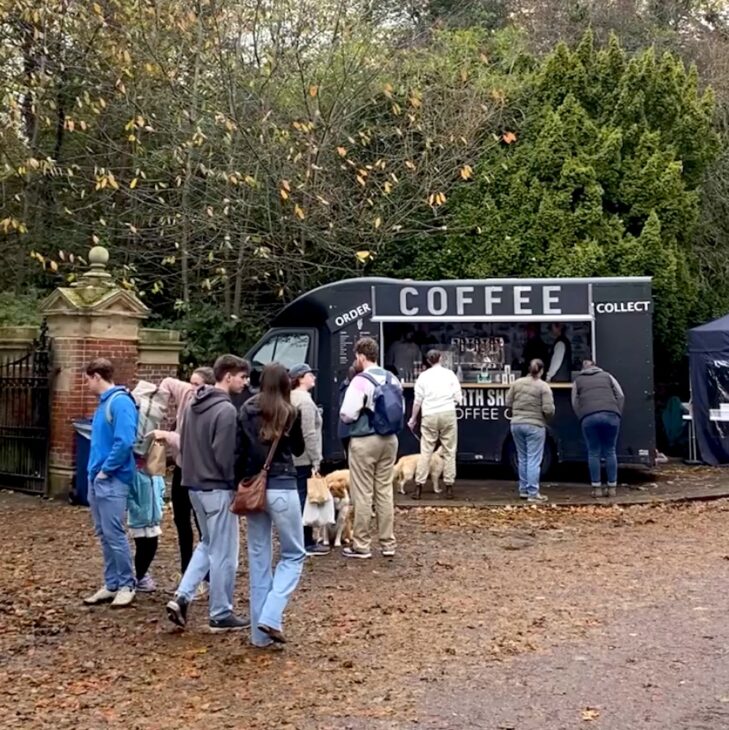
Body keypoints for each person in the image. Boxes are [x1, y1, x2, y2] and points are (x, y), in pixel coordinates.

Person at [166, 355, 249, 633]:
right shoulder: (225, 411)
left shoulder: (192, 405)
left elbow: (185, 444)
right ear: (227, 376)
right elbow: (225, 455)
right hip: (217, 487)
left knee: (207, 544)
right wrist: (235, 483)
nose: (245, 382)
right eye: (242, 376)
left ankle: (182, 596)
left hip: (193, 485)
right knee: (224, 553)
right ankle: (221, 612)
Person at [236, 363, 306, 646]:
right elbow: (299, 449)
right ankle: (272, 614)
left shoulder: (245, 410)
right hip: (283, 486)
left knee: (258, 558)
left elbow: (238, 452)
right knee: (293, 554)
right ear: (287, 384)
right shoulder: (290, 412)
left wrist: (238, 483)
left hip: (254, 486)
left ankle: (258, 635)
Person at [151, 367, 215, 586]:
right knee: (181, 520)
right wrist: (160, 403)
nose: (193, 388)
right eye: (192, 383)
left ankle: (207, 572)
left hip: (198, 472)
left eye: (198, 385)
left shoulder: (208, 409)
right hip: (181, 469)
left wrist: (167, 435)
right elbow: (168, 381)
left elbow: (191, 444)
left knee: (201, 522)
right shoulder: (187, 393)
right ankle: (187, 569)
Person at [83, 358, 139, 608]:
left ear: (96, 376)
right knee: (104, 533)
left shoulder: (119, 403)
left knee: (114, 533)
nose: (86, 385)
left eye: (87, 379)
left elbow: (125, 441)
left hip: (111, 478)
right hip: (98, 477)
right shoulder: (105, 404)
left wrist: (106, 470)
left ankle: (127, 583)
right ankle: (112, 582)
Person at [340, 337, 402, 559]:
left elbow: (347, 414)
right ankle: (388, 543)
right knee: (384, 491)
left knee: (363, 492)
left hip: (365, 440)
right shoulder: (392, 378)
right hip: (390, 439)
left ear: (361, 356)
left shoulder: (359, 381)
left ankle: (362, 544)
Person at [407, 350, 462, 500]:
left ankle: (419, 486)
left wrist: (413, 419)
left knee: (426, 451)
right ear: (441, 358)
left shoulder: (423, 377)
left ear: (428, 361)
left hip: (429, 414)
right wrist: (452, 402)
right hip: (448, 413)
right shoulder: (450, 374)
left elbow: (418, 401)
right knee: (450, 451)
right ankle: (449, 487)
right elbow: (458, 397)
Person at [289, 362, 328, 557]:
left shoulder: (290, 398)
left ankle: (298, 539)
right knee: (303, 499)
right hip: (303, 457)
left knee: (297, 497)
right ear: (300, 378)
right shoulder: (304, 401)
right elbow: (308, 433)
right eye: (309, 374)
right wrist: (316, 458)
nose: (313, 377)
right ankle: (306, 541)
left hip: (292, 456)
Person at [572, 359, 625, 498]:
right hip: (611, 415)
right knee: (610, 450)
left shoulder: (578, 381)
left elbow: (575, 402)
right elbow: (620, 395)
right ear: (595, 366)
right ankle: (612, 487)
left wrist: (582, 416)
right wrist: (617, 412)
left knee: (593, 452)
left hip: (589, 417)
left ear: (582, 368)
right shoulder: (608, 376)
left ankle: (597, 489)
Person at [506, 359, 555, 503]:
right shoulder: (543, 387)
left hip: (516, 424)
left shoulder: (517, 383)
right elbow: (548, 409)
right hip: (535, 425)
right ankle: (533, 493)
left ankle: (523, 490)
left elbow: (508, 402)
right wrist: (547, 418)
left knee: (522, 458)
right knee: (534, 459)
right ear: (541, 371)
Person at [128, 469, 166, 592]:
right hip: (139, 521)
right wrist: (137, 511)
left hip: (153, 519)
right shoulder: (135, 474)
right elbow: (129, 495)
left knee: (152, 547)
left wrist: (160, 505)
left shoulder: (156, 475)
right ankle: (140, 576)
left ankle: (141, 574)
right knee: (142, 548)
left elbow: (161, 491)